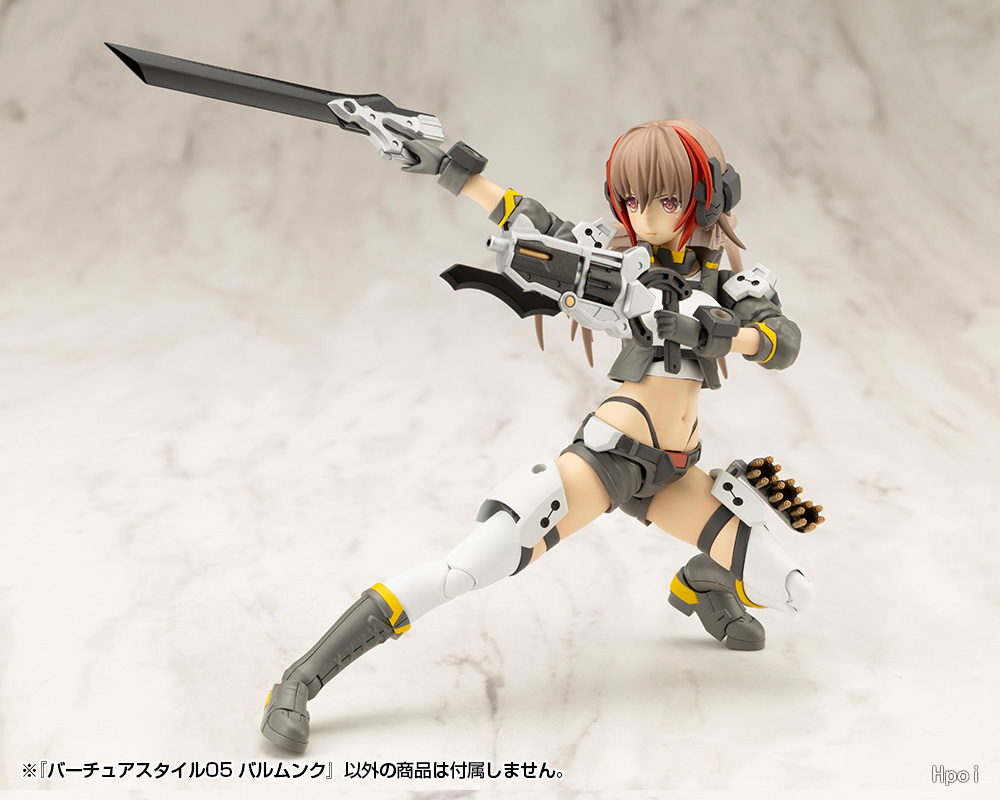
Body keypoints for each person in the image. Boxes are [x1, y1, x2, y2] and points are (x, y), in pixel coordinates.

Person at [261, 119, 819, 753]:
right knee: (467, 568)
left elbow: (782, 341)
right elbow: (528, 218)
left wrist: (719, 333)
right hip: (611, 459)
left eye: (666, 199)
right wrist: (446, 167)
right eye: (632, 200)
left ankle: (702, 580)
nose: (646, 216)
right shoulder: (618, 266)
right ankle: (300, 679)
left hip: (678, 473)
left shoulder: (725, 285)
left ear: (708, 196)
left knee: (791, 588)